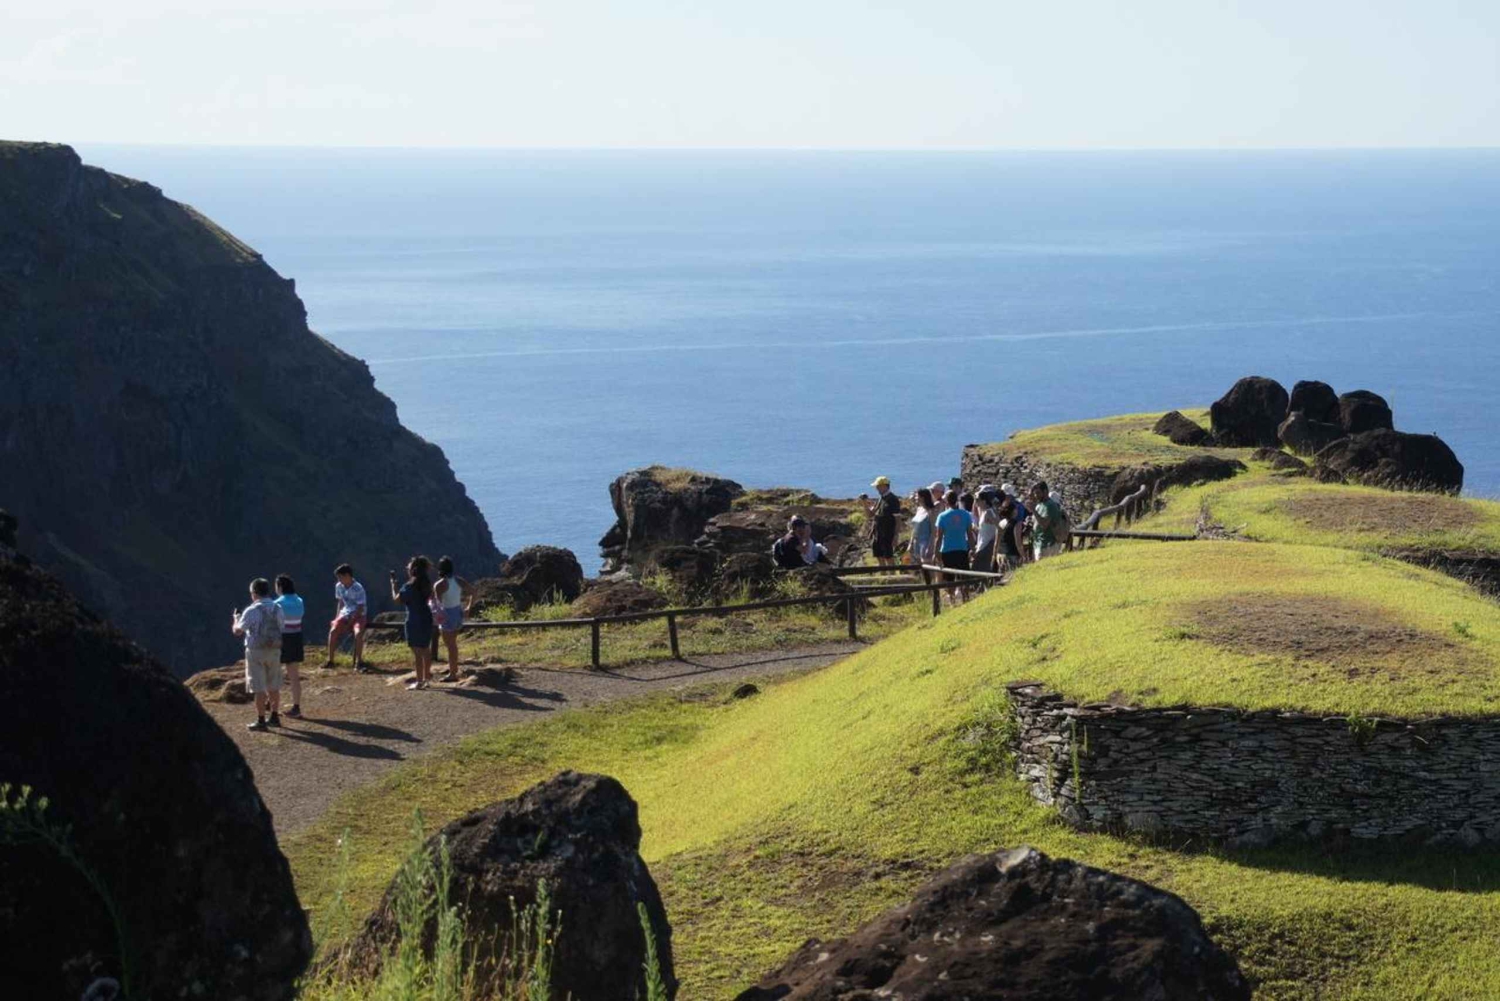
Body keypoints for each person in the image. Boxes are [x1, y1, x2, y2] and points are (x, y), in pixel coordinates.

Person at [232, 578, 285, 732]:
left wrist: (235, 619)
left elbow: (238, 631)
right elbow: (282, 627)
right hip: (274, 650)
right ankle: (274, 717)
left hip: (255, 651)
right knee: (273, 685)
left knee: (259, 687)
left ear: (254, 593)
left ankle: (261, 720)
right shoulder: (278, 608)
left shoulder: (251, 610)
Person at [392, 556, 435, 690]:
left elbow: (397, 600)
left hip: (414, 618)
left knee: (417, 652)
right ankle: (427, 678)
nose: (407, 569)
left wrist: (393, 587)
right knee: (425, 649)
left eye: (408, 567)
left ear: (413, 569)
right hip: (426, 616)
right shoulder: (426, 583)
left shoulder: (409, 586)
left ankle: (419, 681)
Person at [434, 556, 475, 682]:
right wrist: (468, 607)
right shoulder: (459, 580)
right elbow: (474, 591)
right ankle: (453, 669)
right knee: (453, 644)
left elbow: (437, 605)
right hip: (458, 612)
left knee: (450, 645)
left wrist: (436, 618)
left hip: (446, 614)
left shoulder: (439, 585)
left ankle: (453, 673)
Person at [324, 564, 368, 671]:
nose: (339, 580)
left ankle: (359, 661)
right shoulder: (339, 586)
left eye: (340, 577)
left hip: (358, 614)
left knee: (358, 633)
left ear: (347, 575)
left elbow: (360, 607)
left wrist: (351, 622)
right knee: (333, 631)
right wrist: (337, 618)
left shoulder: (358, 588)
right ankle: (331, 660)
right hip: (345, 613)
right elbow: (341, 602)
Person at [934, 490, 974, 601]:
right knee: (964, 577)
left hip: (947, 550)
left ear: (946, 501)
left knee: (949, 578)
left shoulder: (942, 516)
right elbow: (970, 535)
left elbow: (939, 537)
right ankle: (966, 599)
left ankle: (952, 601)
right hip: (962, 549)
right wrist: (973, 549)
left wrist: (936, 552)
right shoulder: (965, 514)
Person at [274, 574, 305, 717]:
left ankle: (271, 704)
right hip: (296, 637)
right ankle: (296, 707)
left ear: (280, 587)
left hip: (282, 638)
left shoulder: (278, 603)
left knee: (273, 673)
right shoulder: (299, 600)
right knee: (294, 676)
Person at [862, 476, 902, 568]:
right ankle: (883, 574)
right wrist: (864, 503)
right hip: (878, 533)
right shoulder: (880, 499)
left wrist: (896, 536)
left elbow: (898, 519)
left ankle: (891, 576)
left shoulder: (892, 499)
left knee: (888, 555)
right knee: (878, 554)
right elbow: (870, 515)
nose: (877, 488)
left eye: (878, 486)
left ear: (885, 486)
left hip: (888, 532)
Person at [1029, 481, 1067, 562]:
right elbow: (1037, 521)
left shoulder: (1050, 505)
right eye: (1035, 493)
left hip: (1048, 545)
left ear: (1045, 491)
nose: (1036, 496)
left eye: (1038, 493)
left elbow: (1044, 525)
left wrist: (1033, 511)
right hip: (1038, 543)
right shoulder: (1040, 504)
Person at [972, 487, 1001, 576]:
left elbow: (999, 526)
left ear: (984, 501)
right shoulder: (986, 512)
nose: (976, 502)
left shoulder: (988, 512)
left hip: (986, 545)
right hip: (982, 544)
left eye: (977, 500)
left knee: (977, 571)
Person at [906, 487, 937, 566]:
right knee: (917, 566)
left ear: (923, 498)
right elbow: (914, 529)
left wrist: (930, 547)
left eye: (917, 496)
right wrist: (910, 543)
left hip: (925, 543)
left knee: (927, 566)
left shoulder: (931, 511)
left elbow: (934, 531)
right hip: (916, 542)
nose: (916, 498)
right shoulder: (919, 509)